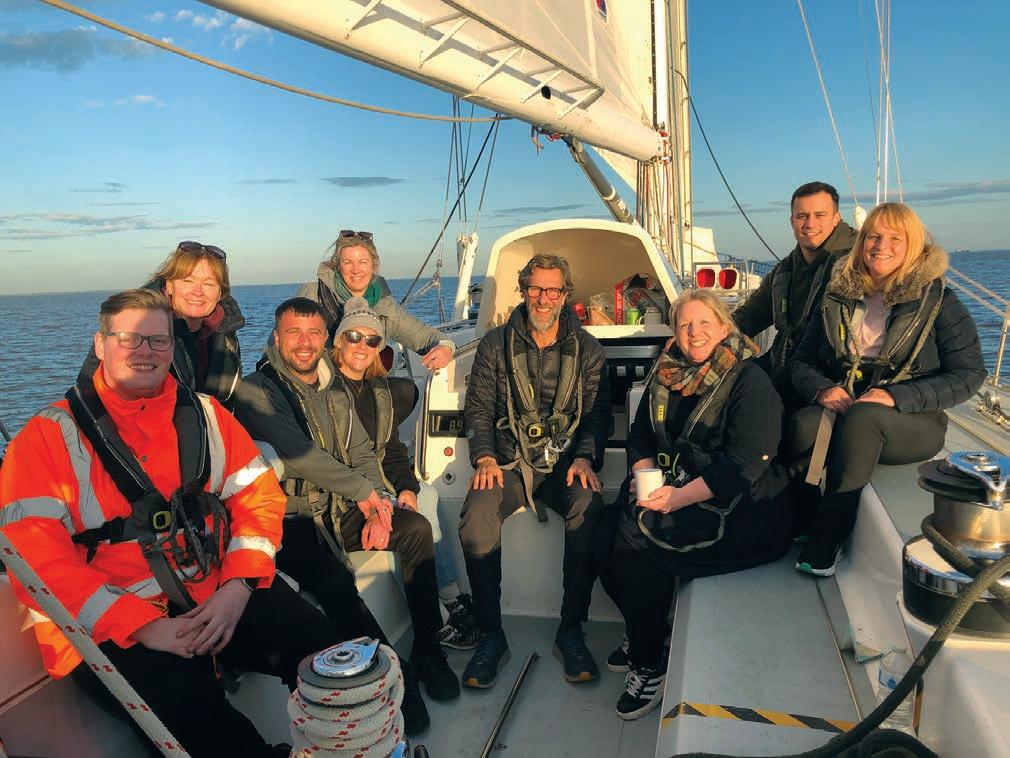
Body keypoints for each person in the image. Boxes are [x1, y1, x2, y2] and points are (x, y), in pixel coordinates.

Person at [0, 289, 340, 757]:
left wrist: (239, 586)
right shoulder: (44, 439)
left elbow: (259, 497)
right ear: (100, 344)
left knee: (326, 655)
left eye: (158, 341)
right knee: (202, 721)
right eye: (129, 338)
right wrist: (142, 626)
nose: (145, 351)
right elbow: (35, 559)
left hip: (216, 590)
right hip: (110, 622)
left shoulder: (206, 416)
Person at [234, 297, 459, 735]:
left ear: (325, 339)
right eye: (294, 333)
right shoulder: (257, 390)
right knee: (335, 582)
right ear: (276, 338)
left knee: (414, 528)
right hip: (292, 521)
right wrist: (365, 495)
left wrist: (379, 504)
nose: (304, 343)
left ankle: (429, 650)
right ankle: (391, 673)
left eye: (313, 333)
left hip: (339, 508)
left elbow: (360, 450)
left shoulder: (333, 387)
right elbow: (300, 455)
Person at [597, 289, 792, 720]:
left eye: (704, 323)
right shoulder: (667, 372)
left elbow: (745, 462)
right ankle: (643, 627)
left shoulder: (749, 380)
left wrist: (677, 498)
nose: (694, 332)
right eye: (685, 324)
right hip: (679, 487)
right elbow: (640, 435)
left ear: (724, 328)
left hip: (742, 508)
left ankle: (649, 662)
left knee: (634, 539)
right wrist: (643, 475)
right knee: (601, 534)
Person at [786, 203, 986, 576]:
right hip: (845, 404)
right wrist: (823, 389)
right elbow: (801, 361)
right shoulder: (838, 296)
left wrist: (896, 396)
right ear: (862, 241)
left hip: (912, 420)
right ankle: (802, 515)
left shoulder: (938, 301)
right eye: (874, 236)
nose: (882, 246)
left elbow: (969, 374)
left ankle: (828, 536)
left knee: (864, 419)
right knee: (803, 426)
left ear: (914, 245)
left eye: (896, 238)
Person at [459, 253, 610, 688]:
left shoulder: (588, 350)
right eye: (535, 288)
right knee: (476, 517)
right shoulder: (495, 344)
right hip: (508, 462)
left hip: (563, 465)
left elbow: (597, 415)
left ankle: (571, 629)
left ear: (566, 294)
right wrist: (485, 456)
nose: (543, 299)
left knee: (589, 508)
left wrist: (585, 457)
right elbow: (478, 407)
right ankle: (491, 634)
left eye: (552, 290)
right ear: (524, 290)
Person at [329, 297, 479, 651]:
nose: (362, 346)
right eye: (353, 336)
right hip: (347, 498)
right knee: (408, 521)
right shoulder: (327, 393)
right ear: (338, 341)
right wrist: (385, 497)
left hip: (377, 481)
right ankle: (439, 620)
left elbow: (393, 450)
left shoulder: (377, 390)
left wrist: (407, 487)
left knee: (426, 494)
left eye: (371, 340)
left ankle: (450, 597)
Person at [732, 181, 857, 412]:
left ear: (836, 218)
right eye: (802, 216)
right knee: (727, 387)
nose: (810, 224)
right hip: (784, 366)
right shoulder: (787, 269)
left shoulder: (858, 263)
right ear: (791, 221)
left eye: (820, 215)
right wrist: (707, 331)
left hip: (830, 374)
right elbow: (751, 315)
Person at [79, 241, 245, 408]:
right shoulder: (133, 322)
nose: (198, 292)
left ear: (220, 293)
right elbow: (88, 392)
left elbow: (229, 403)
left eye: (208, 284)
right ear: (170, 285)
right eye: (188, 281)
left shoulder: (225, 331)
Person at [299, 229, 454, 370]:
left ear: (373, 265)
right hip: (323, 381)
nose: (355, 270)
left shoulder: (384, 305)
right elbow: (288, 342)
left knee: (406, 388)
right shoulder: (313, 296)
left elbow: (423, 336)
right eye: (347, 262)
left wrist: (445, 347)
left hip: (366, 380)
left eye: (362, 262)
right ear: (338, 266)